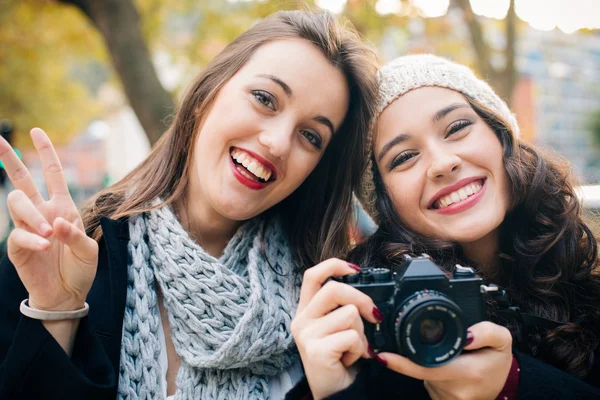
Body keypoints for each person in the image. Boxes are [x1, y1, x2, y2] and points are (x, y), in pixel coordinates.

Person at [0, 10, 380, 399]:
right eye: (265, 99)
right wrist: (56, 314)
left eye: (311, 136)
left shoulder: (331, 312)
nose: (278, 142)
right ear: (206, 94)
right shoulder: (64, 259)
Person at [291, 54, 600, 399]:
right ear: (383, 200)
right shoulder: (367, 324)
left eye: (456, 128)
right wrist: (335, 391)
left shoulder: (590, 287)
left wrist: (512, 384)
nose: (442, 163)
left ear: (501, 138)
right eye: (404, 157)